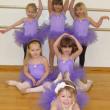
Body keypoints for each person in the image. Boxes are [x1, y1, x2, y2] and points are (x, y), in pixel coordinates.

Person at [69, 0, 109, 67]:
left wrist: (101, 19)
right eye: (77, 10)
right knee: (73, 54)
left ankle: (81, 70)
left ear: (84, 10)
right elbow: (70, 8)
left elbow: (97, 25)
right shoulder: (75, 17)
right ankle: (70, 68)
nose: (79, 11)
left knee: (82, 55)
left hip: (84, 40)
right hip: (75, 40)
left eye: (80, 9)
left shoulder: (88, 18)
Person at [47, 0, 69, 70]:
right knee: (52, 52)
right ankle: (51, 67)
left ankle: (60, 68)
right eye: (55, 4)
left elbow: (66, 4)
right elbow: (49, 3)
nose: (57, 6)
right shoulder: (51, 13)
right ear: (53, 5)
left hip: (61, 36)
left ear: (62, 6)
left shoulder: (63, 13)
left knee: (60, 52)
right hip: (52, 35)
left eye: (59, 4)